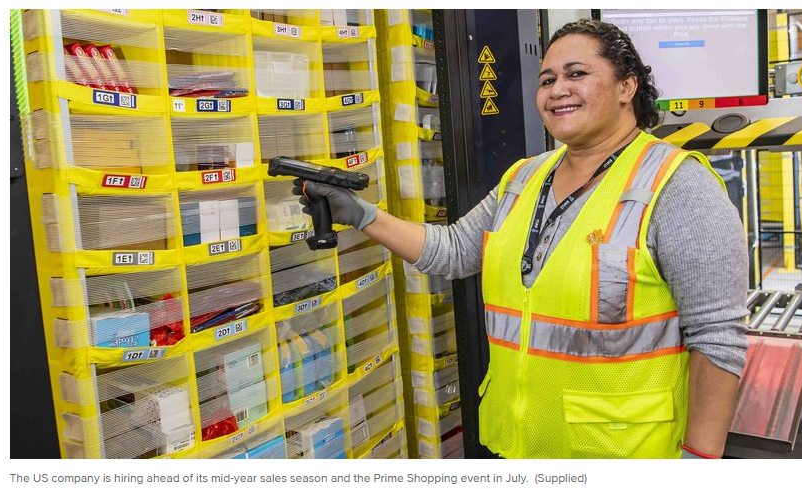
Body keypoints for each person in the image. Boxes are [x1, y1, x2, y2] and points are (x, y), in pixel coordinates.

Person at [292, 19, 748, 459]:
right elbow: (453, 251)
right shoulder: (524, 178)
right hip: (524, 450)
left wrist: (699, 460)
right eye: (547, 80)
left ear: (627, 86)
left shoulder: (677, 186)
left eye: (577, 74)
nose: (557, 90)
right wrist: (361, 213)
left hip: (625, 456)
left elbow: (716, 338)